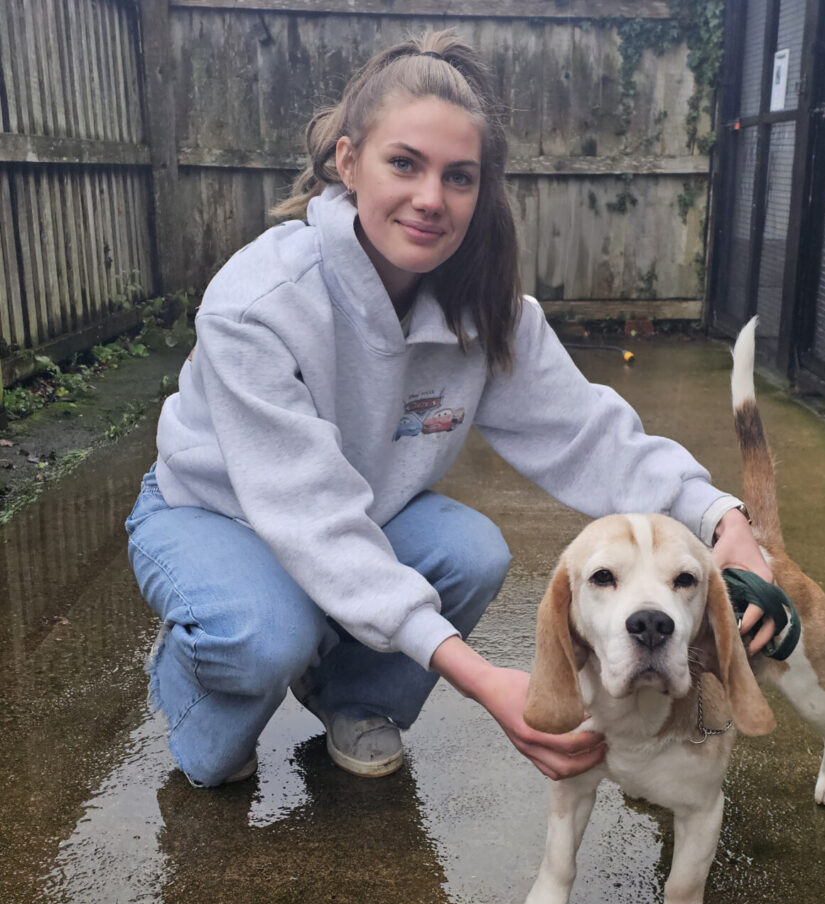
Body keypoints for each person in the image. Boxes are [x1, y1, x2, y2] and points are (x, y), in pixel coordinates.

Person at [125, 30, 774, 789]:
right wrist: (479, 677)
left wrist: (722, 519)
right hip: (215, 512)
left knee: (471, 552)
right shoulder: (257, 304)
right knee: (260, 648)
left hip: (360, 509)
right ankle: (200, 656)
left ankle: (356, 698)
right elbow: (311, 519)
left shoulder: (485, 310)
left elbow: (587, 435)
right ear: (347, 162)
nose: (431, 199)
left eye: (458, 176)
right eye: (404, 163)